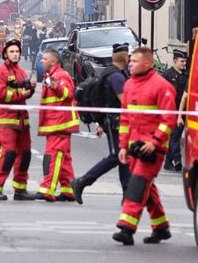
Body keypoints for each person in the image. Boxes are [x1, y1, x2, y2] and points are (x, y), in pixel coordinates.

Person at [112, 46, 177, 246]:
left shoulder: (162, 86)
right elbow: (125, 120)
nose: (130, 64)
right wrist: (123, 146)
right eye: (130, 61)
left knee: (138, 185)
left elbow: (169, 120)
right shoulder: (129, 84)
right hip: (133, 148)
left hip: (152, 149)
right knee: (148, 188)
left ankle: (126, 228)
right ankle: (161, 228)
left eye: (135, 62)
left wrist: (155, 142)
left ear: (148, 63)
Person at [71, 43, 131, 203]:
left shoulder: (112, 73)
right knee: (116, 156)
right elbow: (125, 101)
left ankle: (127, 194)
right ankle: (82, 181)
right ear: (125, 57)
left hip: (113, 121)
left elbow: (104, 99)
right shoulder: (116, 76)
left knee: (123, 156)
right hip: (114, 122)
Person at [0, 38, 38, 201]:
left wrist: (31, 89)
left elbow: (26, 95)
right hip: (7, 119)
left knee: (26, 154)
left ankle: (20, 189)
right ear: (5, 54)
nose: (15, 54)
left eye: (17, 52)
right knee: (8, 153)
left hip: (22, 121)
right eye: (12, 52)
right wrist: (21, 93)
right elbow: (0, 94)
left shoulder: (21, 72)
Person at [36, 48, 80, 202]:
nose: (42, 61)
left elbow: (68, 94)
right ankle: (69, 190)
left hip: (59, 124)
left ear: (53, 61)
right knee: (64, 159)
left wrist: (57, 87)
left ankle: (47, 189)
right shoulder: (52, 76)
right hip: (57, 123)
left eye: (45, 58)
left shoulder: (60, 75)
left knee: (52, 156)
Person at [161, 51, 188, 172]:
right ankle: (177, 159)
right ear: (175, 61)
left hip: (182, 111)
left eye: (185, 61)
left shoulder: (186, 75)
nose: (184, 64)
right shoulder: (166, 75)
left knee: (174, 136)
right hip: (170, 110)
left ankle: (168, 162)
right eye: (182, 61)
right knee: (174, 136)